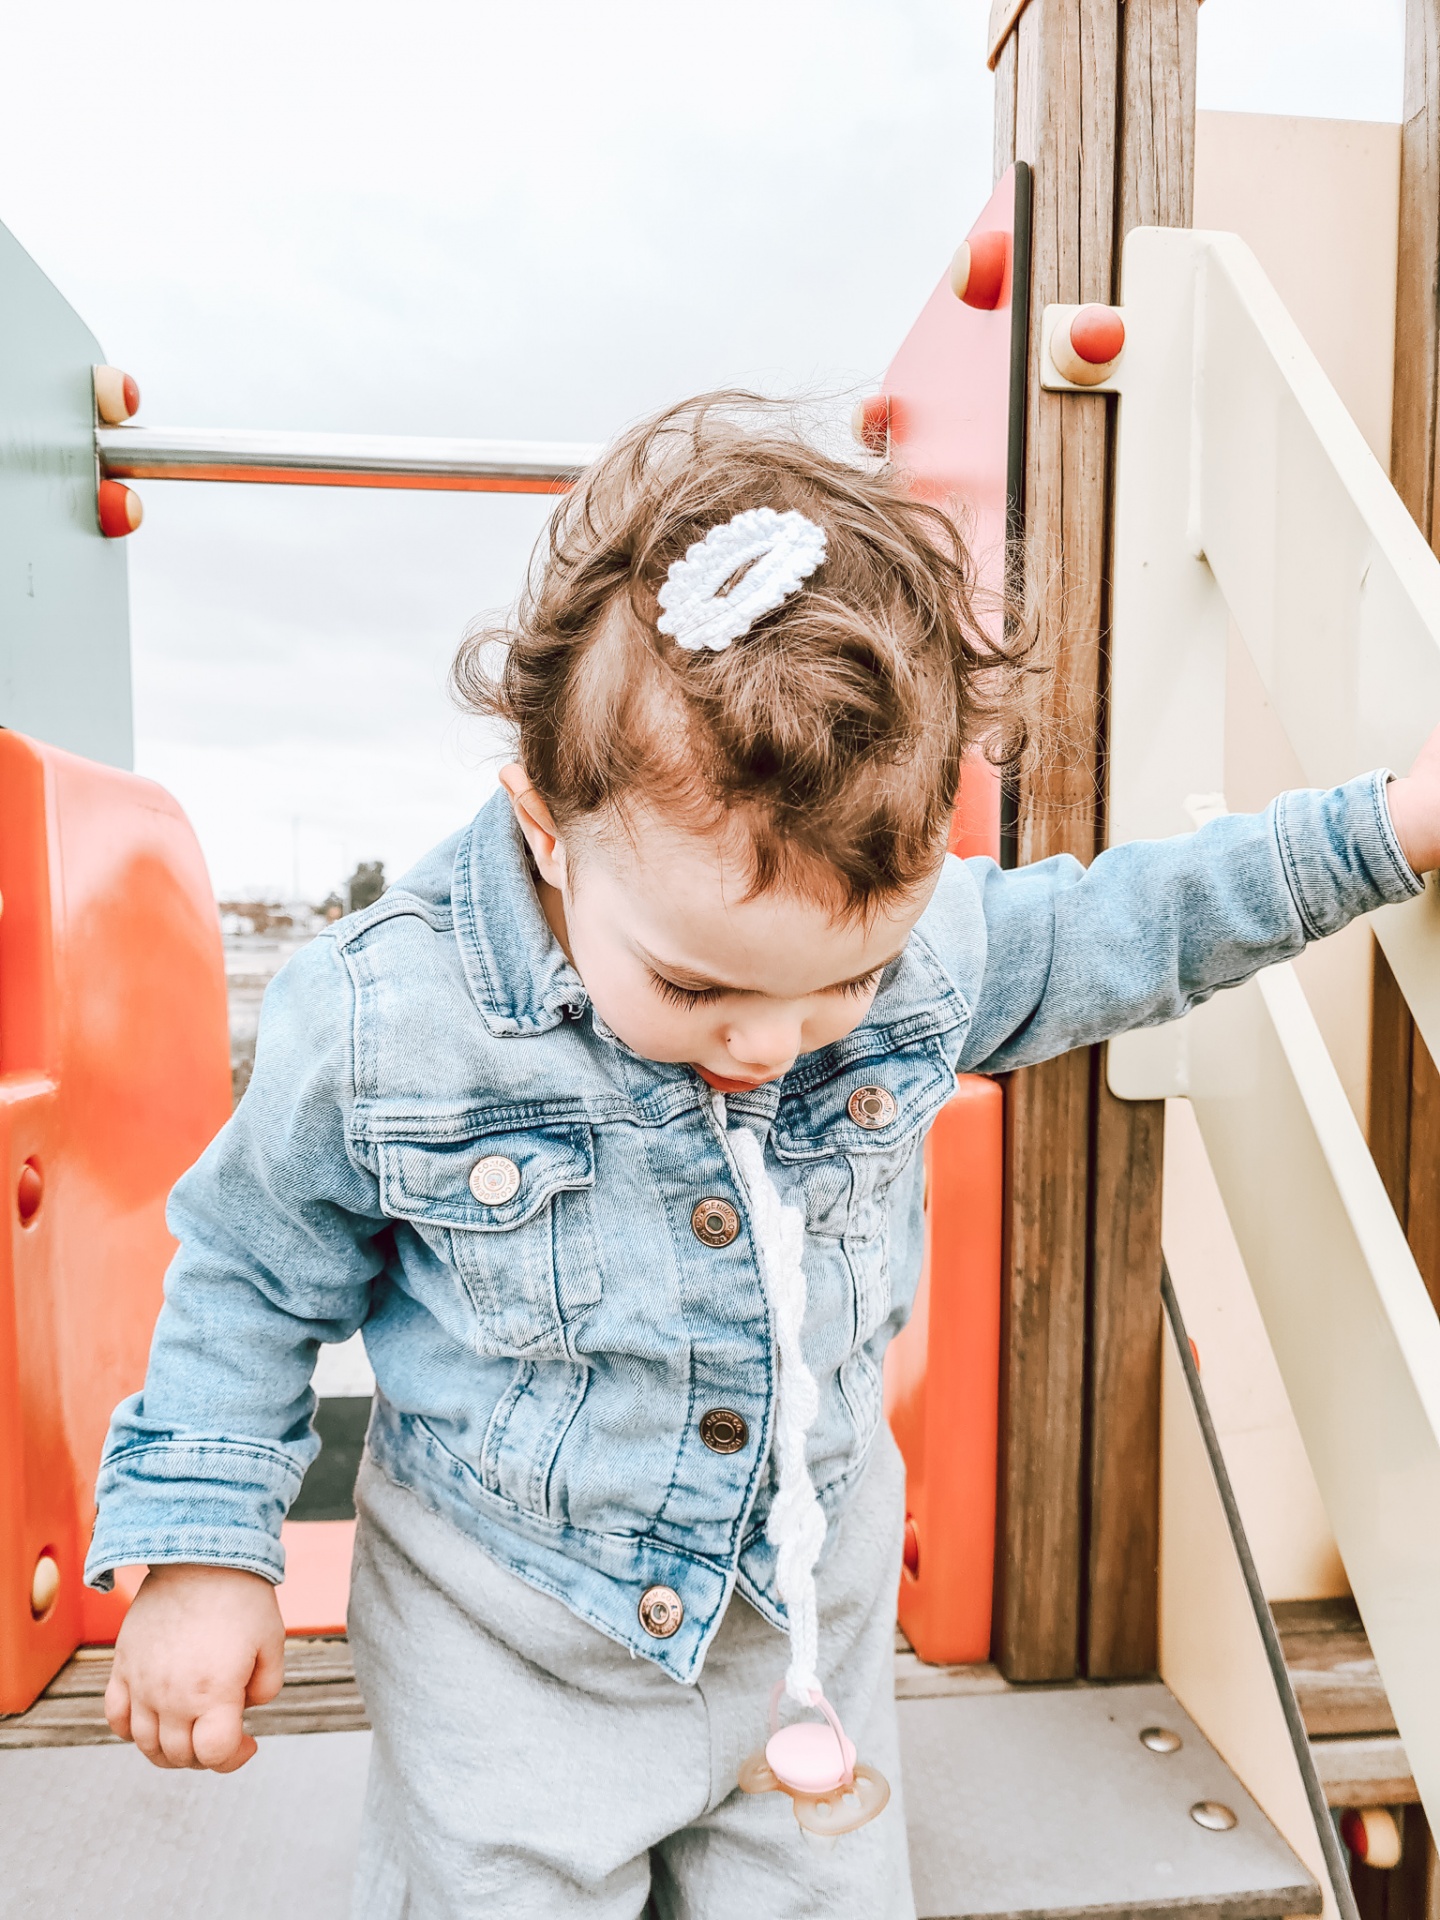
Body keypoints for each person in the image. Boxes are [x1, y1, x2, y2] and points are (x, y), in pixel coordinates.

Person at [86, 396, 1440, 1919]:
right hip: (513, 1643)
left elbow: (1140, 921)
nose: (769, 1046)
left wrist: (1392, 826)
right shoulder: (387, 1016)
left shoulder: (926, 956)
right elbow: (253, 1275)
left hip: (803, 1614)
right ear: (548, 825)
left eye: (843, 986)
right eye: (697, 987)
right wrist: (206, 1553)